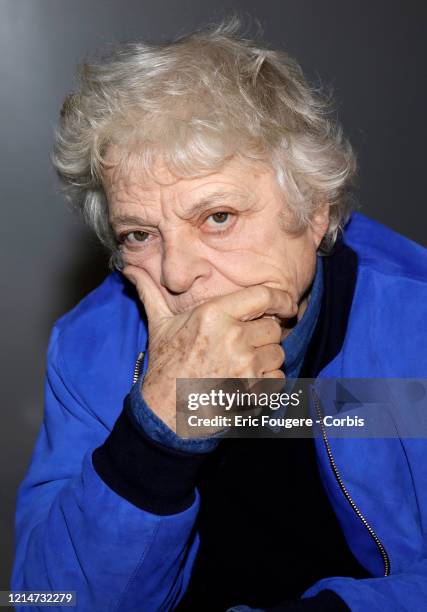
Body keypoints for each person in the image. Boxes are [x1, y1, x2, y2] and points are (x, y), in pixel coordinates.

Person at [12, 18, 427, 612]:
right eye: (139, 233)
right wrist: (155, 433)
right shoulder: (88, 349)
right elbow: (43, 599)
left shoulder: (415, 324)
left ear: (314, 210)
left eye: (218, 218)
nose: (177, 274)